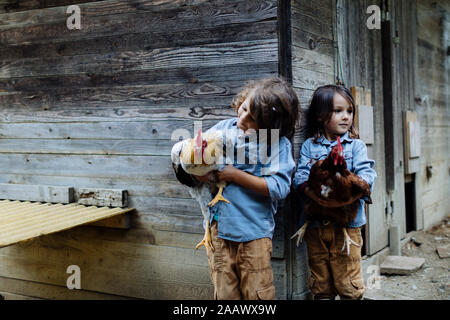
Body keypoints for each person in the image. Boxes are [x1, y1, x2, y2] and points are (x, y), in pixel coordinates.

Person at [193, 77, 299, 300]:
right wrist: (197, 170)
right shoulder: (223, 128)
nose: (242, 118)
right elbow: (198, 160)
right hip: (218, 232)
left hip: (253, 234)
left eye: (252, 119)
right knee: (225, 293)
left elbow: (279, 187)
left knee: (257, 292)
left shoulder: (277, 145)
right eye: (243, 109)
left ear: (271, 126)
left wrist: (236, 175)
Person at [293, 84, 376, 300]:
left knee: (348, 281)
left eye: (349, 111)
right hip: (316, 225)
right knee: (320, 282)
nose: (346, 117)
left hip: (347, 226)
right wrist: (312, 195)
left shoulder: (355, 146)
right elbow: (300, 176)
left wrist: (354, 190)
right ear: (321, 116)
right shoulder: (310, 147)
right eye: (338, 111)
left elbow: (368, 174)